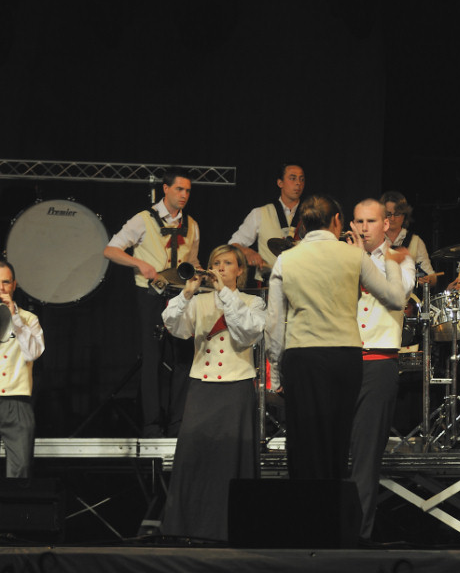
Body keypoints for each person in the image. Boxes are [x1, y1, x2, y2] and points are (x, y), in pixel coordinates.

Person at [266, 195, 408, 480]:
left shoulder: (286, 259)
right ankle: (332, 518)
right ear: (337, 221)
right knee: (337, 446)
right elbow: (395, 299)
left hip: (302, 356)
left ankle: (305, 517)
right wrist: (391, 261)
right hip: (344, 357)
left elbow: (273, 324)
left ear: (303, 225)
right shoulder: (354, 255)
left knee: (303, 445)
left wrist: (277, 374)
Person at [159, 245, 265, 542]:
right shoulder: (198, 301)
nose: (219, 268)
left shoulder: (251, 302)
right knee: (195, 458)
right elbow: (174, 327)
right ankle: (187, 528)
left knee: (232, 459)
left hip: (236, 386)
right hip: (202, 385)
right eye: (215, 262)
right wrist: (187, 293)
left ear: (239, 270)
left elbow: (246, 335)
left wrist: (225, 296)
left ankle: (235, 528)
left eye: (227, 263)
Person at [104, 167, 200, 437]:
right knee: (153, 359)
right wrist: (140, 263)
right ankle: (152, 424)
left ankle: (178, 423)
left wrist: (201, 276)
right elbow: (110, 250)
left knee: (183, 358)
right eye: (179, 189)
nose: (184, 195)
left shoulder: (191, 224)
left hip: (181, 297)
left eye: (188, 191)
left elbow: (192, 262)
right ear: (166, 189)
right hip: (151, 296)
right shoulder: (143, 219)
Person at [346, 198, 416, 543]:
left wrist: (365, 260)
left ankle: (358, 537)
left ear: (386, 224)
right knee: (332, 450)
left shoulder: (400, 258)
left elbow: (398, 296)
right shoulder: (342, 255)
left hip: (377, 363)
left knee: (365, 457)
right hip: (341, 361)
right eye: (357, 220)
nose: (362, 227)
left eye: (370, 221)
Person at [0, 261, 45, 478]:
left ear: (14, 285)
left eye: (5, 282)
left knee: (20, 471)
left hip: (17, 401)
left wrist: (14, 318)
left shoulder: (28, 319)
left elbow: (33, 353)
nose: (1, 288)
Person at [229, 163, 306, 284]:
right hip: (268, 284)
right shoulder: (260, 213)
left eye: (301, 179)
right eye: (292, 178)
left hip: (301, 283)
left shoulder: (310, 215)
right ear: (280, 183)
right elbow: (233, 244)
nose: (298, 183)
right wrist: (247, 252)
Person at [380, 190, 436, 287]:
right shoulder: (375, 239)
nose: (392, 219)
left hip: (406, 299)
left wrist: (428, 280)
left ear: (404, 215)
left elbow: (431, 276)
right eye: (388, 214)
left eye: (397, 214)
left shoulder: (415, 241)